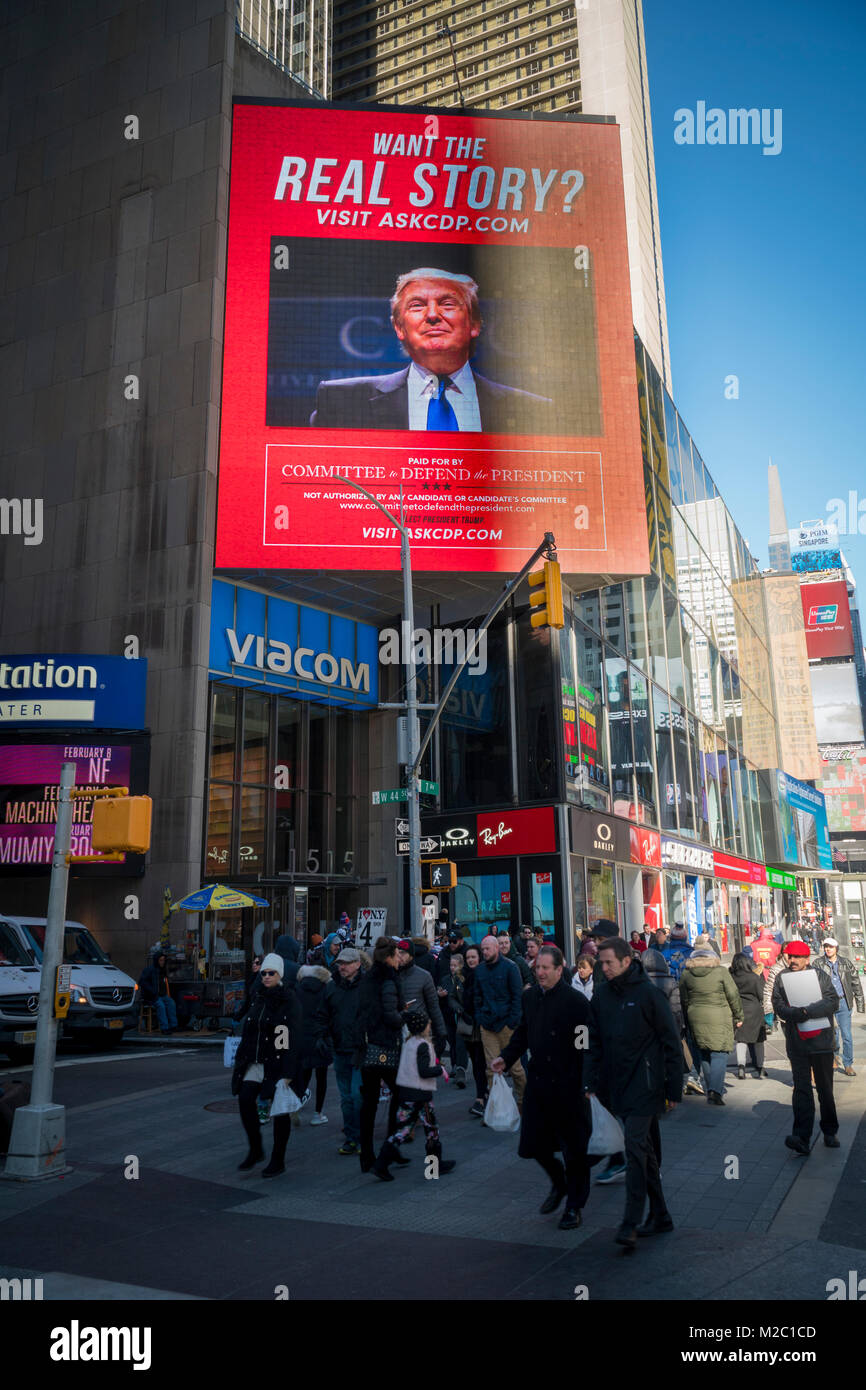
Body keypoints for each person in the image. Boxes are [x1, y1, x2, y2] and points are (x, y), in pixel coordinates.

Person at [312, 268, 553, 433]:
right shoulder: (343, 402)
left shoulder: (534, 411)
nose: (432, 315)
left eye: (448, 304)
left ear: (475, 324)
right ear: (399, 327)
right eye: (417, 306)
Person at [586, 938, 682, 1248]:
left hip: (646, 1085)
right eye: (601, 963)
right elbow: (593, 1043)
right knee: (646, 1153)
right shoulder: (601, 997)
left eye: (608, 962)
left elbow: (671, 1042)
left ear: (627, 961)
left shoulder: (649, 995)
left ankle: (630, 1221)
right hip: (616, 1087)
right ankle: (662, 1215)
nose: (604, 967)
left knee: (635, 1147)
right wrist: (590, 1083)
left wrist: (674, 1089)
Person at [492, 946, 591, 1230]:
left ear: (561, 970)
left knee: (574, 1151)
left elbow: (586, 1044)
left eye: (547, 968)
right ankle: (558, 1183)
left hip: (570, 1085)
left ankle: (574, 1205)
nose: (541, 973)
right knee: (532, 1145)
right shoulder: (530, 997)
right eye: (538, 968)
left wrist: (588, 1081)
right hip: (539, 1082)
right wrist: (506, 1057)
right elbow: (523, 1032)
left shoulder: (576, 1002)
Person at [231, 952, 302, 1178]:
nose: (267, 976)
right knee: (245, 1098)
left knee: (279, 1111)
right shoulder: (257, 995)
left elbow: (289, 1036)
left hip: (277, 1062)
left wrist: (287, 1072)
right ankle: (256, 1148)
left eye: (271, 973)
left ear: (279, 974)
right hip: (255, 1059)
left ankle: (277, 1159)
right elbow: (250, 1028)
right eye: (264, 973)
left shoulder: (287, 999)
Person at [370, 1009, 456, 1181]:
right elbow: (423, 1071)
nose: (430, 1026)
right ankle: (433, 1167)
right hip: (421, 1095)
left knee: (402, 1129)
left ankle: (381, 1163)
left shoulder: (408, 1043)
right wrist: (440, 1069)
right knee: (431, 1129)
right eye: (428, 1023)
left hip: (406, 1093)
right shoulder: (423, 1045)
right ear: (423, 1027)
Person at [772, 940, 840, 1153]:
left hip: (821, 1043)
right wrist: (797, 1014)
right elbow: (778, 1005)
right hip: (797, 1044)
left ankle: (830, 1131)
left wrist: (808, 1011)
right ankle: (802, 1137)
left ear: (806, 959)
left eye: (797, 957)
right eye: (789, 956)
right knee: (801, 1090)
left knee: (825, 1089)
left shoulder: (820, 976)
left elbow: (832, 1001)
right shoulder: (781, 978)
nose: (792, 961)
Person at [357, 937, 408, 1173]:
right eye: (397, 955)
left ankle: (367, 1153)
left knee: (369, 1102)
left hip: (368, 1047)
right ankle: (389, 1147)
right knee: (399, 1095)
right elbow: (390, 1015)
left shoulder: (368, 979)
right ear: (389, 957)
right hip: (385, 1046)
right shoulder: (389, 980)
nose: (400, 959)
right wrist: (403, 1015)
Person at [678, 945, 744, 1104]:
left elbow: (683, 997)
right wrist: (739, 1015)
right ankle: (715, 1090)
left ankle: (711, 1089)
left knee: (704, 1052)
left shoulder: (687, 974)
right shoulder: (720, 971)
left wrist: (690, 1012)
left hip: (696, 1016)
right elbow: (733, 994)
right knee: (719, 1053)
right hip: (719, 1015)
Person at [474, 934, 526, 1106]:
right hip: (488, 1024)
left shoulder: (511, 967)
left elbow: (517, 996)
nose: (484, 952)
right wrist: (480, 1017)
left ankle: (524, 1101)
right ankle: (497, 1106)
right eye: (483, 949)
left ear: (497, 948)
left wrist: (512, 1021)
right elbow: (477, 997)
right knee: (491, 1069)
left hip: (506, 1025)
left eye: (487, 949)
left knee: (516, 1068)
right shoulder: (480, 970)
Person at [324, 946, 367, 1155]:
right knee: (346, 1098)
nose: (342, 967)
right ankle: (352, 1138)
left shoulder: (367, 986)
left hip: (361, 1050)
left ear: (358, 964)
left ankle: (360, 1136)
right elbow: (323, 1015)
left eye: (346, 963)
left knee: (357, 1094)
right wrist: (326, 1039)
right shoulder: (331, 987)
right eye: (339, 963)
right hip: (339, 1049)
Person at [813, 936, 864, 1076]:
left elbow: (855, 983)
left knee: (847, 1035)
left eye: (830, 946)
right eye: (826, 946)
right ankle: (834, 1058)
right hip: (827, 1003)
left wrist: (860, 1003)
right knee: (832, 1034)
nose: (828, 949)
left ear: (836, 948)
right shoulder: (818, 963)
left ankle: (848, 1064)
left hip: (843, 1002)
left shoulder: (845, 963)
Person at [293, 960, 333, 1125]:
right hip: (320, 1038)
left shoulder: (298, 989)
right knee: (321, 1077)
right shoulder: (326, 989)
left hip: (301, 1037)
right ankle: (318, 1113)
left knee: (304, 1073)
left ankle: (296, 1103)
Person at [394, 938, 448, 1056]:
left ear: (411, 955)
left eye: (403, 953)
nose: (399, 956)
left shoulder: (424, 976)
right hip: (395, 1031)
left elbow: (434, 1006)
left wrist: (441, 1033)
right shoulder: (391, 975)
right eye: (397, 953)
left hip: (418, 1032)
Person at [458, 943, 489, 1116]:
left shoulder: (483, 974)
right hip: (469, 1025)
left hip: (482, 1024)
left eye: (473, 957)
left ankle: (481, 1098)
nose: (470, 960)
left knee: (481, 1062)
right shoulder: (462, 976)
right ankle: (482, 1095)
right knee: (476, 1062)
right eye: (468, 958)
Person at [730, 952, 768, 1079]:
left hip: (738, 1010)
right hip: (755, 1011)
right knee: (758, 1040)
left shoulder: (731, 977)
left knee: (741, 1039)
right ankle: (761, 1067)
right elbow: (761, 995)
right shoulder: (753, 977)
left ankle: (741, 1067)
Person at [439, 951, 468, 1085]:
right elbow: (440, 990)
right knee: (452, 1041)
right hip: (448, 1014)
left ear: (461, 966)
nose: (452, 968)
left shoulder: (463, 979)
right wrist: (440, 994)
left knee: (459, 1041)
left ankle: (459, 1067)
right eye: (451, 965)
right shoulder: (445, 979)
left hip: (460, 1015)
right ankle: (454, 1064)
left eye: (455, 965)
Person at [138, 951, 177, 1034]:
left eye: (163, 960)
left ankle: (173, 1026)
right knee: (161, 1006)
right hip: (151, 996)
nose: (162, 962)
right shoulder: (149, 970)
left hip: (162, 995)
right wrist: (152, 991)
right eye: (160, 960)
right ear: (156, 960)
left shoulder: (162, 970)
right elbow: (142, 981)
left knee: (171, 1003)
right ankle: (164, 1028)